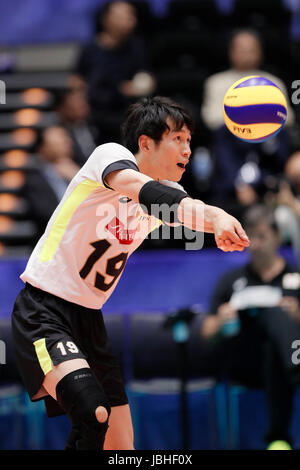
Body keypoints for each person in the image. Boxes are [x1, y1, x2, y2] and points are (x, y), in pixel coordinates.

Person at [11, 96, 249, 451]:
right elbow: (145, 192)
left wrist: (217, 224)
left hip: (90, 321)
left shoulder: (171, 194)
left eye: (189, 140)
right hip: (43, 311)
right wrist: (214, 218)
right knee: (93, 412)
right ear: (145, 143)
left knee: (121, 444)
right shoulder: (107, 158)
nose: (187, 148)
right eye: (178, 138)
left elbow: (183, 208)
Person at [200, 204, 300, 450]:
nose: (255, 244)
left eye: (262, 236)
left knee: (274, 340)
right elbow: (206, 334)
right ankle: (297, 369)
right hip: (244, 362)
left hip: (277, 360)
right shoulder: (231, 280)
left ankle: (278, 440)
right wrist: (223, 319)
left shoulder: (296, 276)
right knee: (273, 322)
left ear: (277, 237)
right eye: (250, 237)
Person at [200, 28, 294, 218]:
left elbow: (287, 119)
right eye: (241, 49)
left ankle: (273, 184)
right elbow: (211, 119)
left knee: (280, 137)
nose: (246, 54)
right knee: (222, 135)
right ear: (231, 52)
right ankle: (237, 183)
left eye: (251, 49)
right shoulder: (216, 82)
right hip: (233, 144)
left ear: (260, 52)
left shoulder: (273, 81)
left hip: (266, 142)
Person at [72, 0, 156, 142]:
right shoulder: (90, 50)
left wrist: (139, 87)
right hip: (96, 115)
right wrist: (79, 100)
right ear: (106, 19)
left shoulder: (137, 47)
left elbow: (148, 79)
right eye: (123, 16)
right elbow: (77, 80)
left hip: (128, 115)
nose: (130, 20)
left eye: (131, 15)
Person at [23, 126, 80, 243]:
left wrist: (78, 177)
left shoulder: (80, 171)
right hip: (50, 243)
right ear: (42, 149)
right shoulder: (34, 179)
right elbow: (45, 214)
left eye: (66, 139)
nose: (67, 143)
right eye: (58, 142)